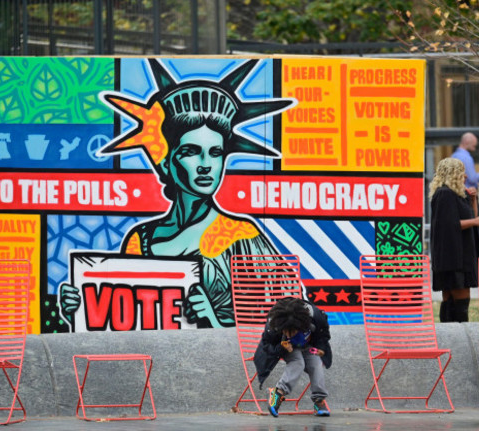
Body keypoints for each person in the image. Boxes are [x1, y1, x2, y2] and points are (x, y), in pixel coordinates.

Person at [59, 59, 295, 329]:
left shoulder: (240, 234)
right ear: (167, 162)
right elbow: (124, 322)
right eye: (191, 151)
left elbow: (287, 314)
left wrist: (214, 321)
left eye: (215, 153)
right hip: (151, 364)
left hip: (223, 367)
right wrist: (83, 309)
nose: (206, 163)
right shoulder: (141, 239)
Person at [429, 158, 479, 322]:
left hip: (462, 254)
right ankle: (456, 338)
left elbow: (472, 216)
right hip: (453, 258)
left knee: (455, 302)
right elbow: (448, 224)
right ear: (452, 174)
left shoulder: (457, 193)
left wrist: (473, 200)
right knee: (458, 302)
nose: (465, 176)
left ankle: (452, 338)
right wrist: (475, 222)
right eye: (461, 172)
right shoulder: (444, 193)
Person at [254, 297, 332, 417]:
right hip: (286, 346)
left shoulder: (314, 316)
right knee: (298, 362)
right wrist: (282, 348)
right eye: (286, 331)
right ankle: (277, 393)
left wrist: (321, 347)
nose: (289, 334)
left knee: (316, 363)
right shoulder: (274, 325)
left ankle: (319, 400)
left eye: (293, 331)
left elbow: (323, 332)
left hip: (308, 345)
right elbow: (267, 347)